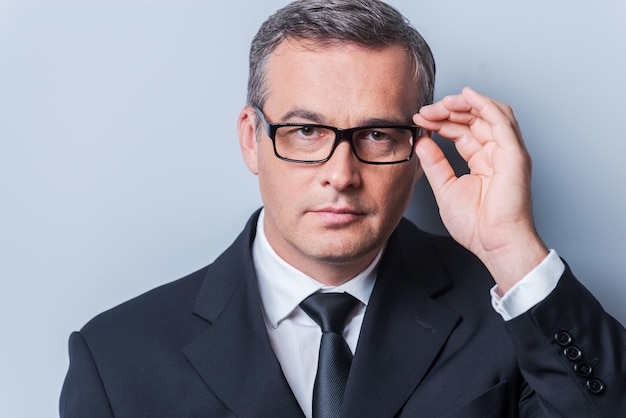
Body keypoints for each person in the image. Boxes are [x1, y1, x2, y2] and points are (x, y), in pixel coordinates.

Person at [60, 0, 626, 416]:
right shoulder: (117, 357)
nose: (341, 174)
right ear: (250, 139)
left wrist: (513, 249)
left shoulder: (510, 314)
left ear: (419, 145)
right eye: (307, 130)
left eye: (377, 134)